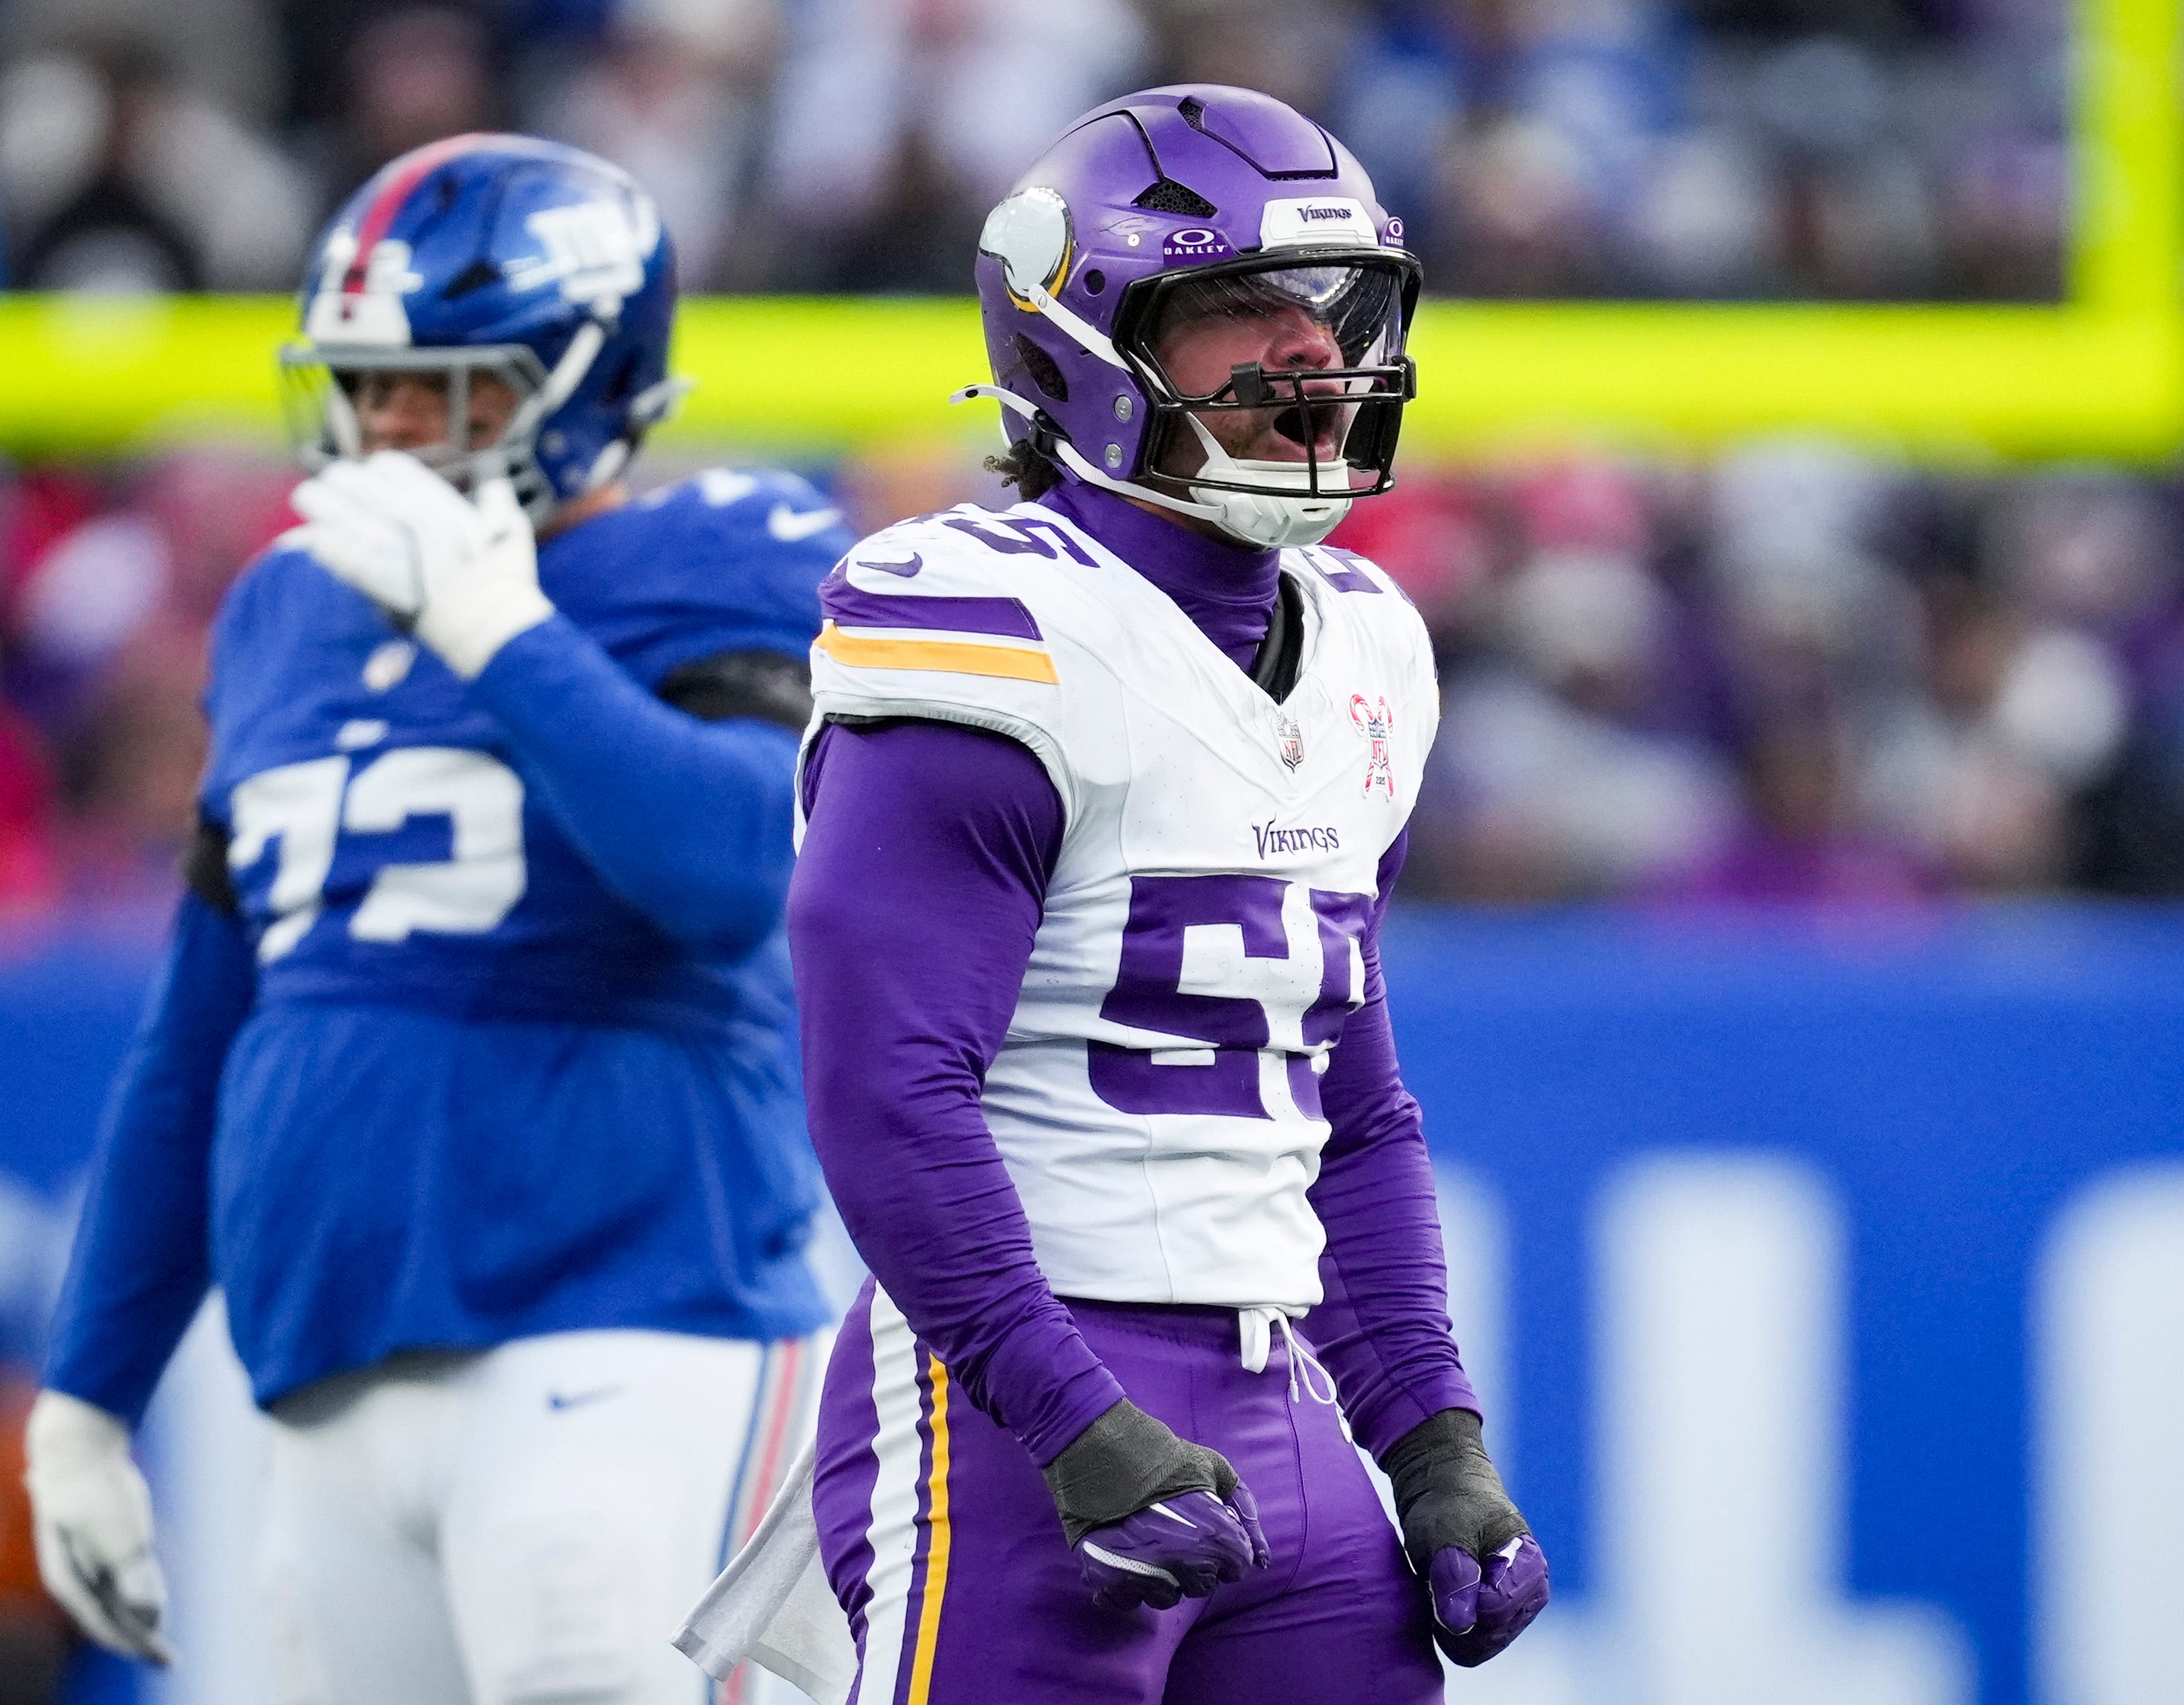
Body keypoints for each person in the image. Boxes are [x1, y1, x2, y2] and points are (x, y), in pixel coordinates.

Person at [22, 135, 849, 1705]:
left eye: (442, 390)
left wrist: (498, 629)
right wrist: (86, 1403)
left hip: (629, 1326)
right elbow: (199, 1041)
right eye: (366, 389)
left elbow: (736, 875)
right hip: (328, 1368)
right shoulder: (290, 606)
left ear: (593, 382)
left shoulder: (719, 554)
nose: (390, 430)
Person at [776, 84, 1548, 1703]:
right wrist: (1069, 1414)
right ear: (1081, 346)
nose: (1308, 353)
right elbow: (888, 1088)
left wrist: (1431, 1438)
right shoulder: (989, 628)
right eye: (1237, 311)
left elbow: (1347, 1106)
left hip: (1280, 1392)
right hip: (1014, 1401)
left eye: (1329, 308)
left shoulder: (1366, 644)